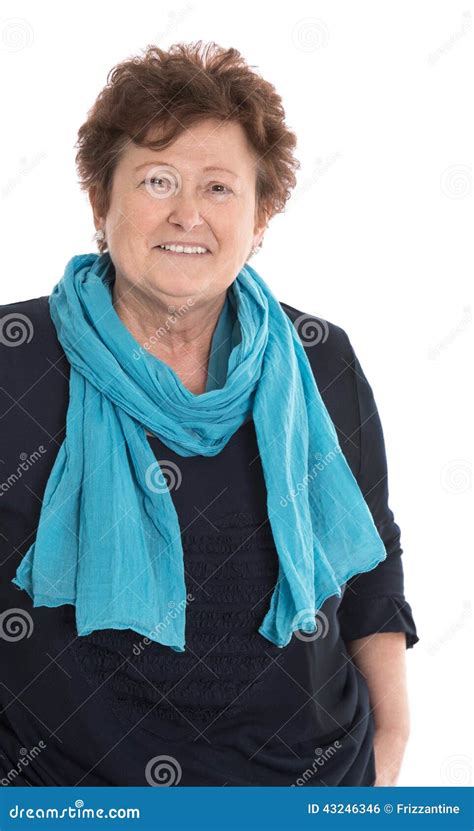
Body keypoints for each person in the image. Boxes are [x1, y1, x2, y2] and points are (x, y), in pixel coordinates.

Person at [0, 41, 418, 788]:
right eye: (157, 180)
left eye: (220, 188)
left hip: (316, 792)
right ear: (102, 202)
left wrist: (390, 743)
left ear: (261, 217)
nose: (187, 213)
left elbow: (370, 560)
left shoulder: (320, 357)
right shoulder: (14, 360)